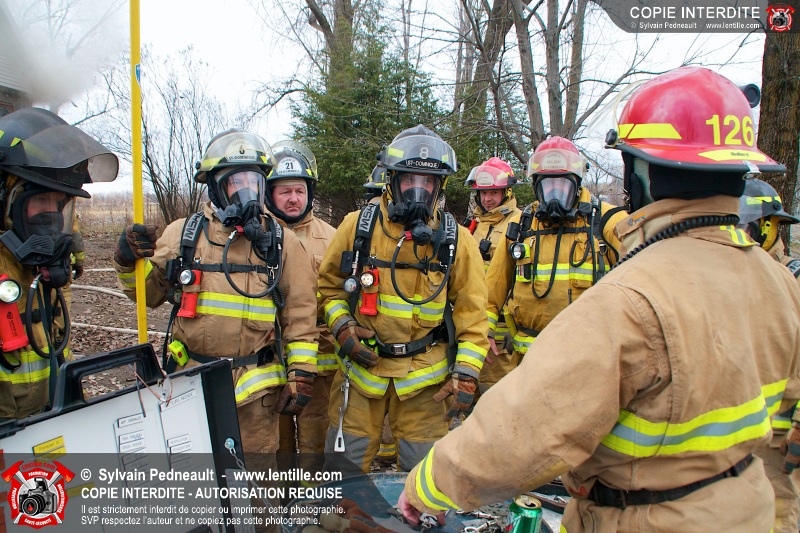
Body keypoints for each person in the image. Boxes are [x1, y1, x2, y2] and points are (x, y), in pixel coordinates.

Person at [398, 66, 800, 532]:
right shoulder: (781, 284)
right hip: (747, 511)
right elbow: (782, 442)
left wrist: (431, 483)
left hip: (641, 518)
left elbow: (531, 428)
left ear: (640, 171)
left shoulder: (629, 300)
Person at [113, 129, 319, 454]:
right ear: (215, 187)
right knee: (196, 470)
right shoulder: (184, 234)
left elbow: (301, 315)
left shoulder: (282, 242)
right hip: (190, 386)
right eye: (236, 182)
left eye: (254, 181)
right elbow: (148, 295)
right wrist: (128, 263)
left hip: (256, 397)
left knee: (255, 478)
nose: (247, 191)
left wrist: (301, 375)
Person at [318, 125, 489, 473]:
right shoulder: (356, 227)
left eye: (428, 182)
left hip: (425, 385)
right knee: (343, 474)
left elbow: (473, 315)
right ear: (392, 179)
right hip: (361, 376)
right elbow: (329, 287)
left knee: (424, 479)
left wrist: (467, 372)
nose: (418, 190)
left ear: (439, 186)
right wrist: (343, 327)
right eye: (409, 179)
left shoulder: (457, 241)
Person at [0, 107, 118, 418]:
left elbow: (54, 351)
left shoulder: (39, 269)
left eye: (60, 205)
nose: (51, 216)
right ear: (6, 200)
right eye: (40, 200)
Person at [482, 137, 625, 386]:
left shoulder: (607, 222)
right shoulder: (521, 226)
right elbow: (493, 288)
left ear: (577, 183)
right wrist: (485, 330)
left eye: (562, 184)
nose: (555, 195)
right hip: (528, 361)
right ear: (537, 185)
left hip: (588, 361)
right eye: (548, 185)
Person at [265, 140, 337, 455]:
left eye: (299, 190)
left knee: (315, 437)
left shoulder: (332, 238)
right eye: (285, 191)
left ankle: (311, 485)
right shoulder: (255, 236)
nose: (293, 198)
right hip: (269, 359)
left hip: (320, 361)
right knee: (275, 441)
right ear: (269, 194)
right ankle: (283, 487)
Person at [738, 178, 800, 533]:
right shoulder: (737, 274)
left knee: (776, 513)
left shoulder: (793, 278)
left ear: (769, 226)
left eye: (746, 225)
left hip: (780, 437)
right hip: (740, 430)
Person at [462, 157, 521, 393]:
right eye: (483, 193)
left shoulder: (518, 223)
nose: (487, 199)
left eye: (494, 192)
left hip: (501, 326)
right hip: (471, 319)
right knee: (468, 387)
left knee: (497, 390)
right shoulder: (474, 224)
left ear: (506, 193)